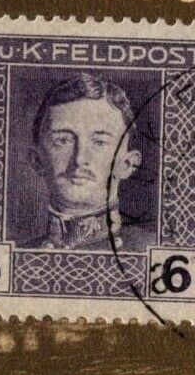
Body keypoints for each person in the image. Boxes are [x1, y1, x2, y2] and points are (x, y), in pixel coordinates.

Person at [24, 72, 154, 253]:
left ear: (127, 164)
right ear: (36, 160)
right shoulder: (15, 255)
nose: (79, 159)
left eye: (99, 142)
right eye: (63, 141)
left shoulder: (152, 251)